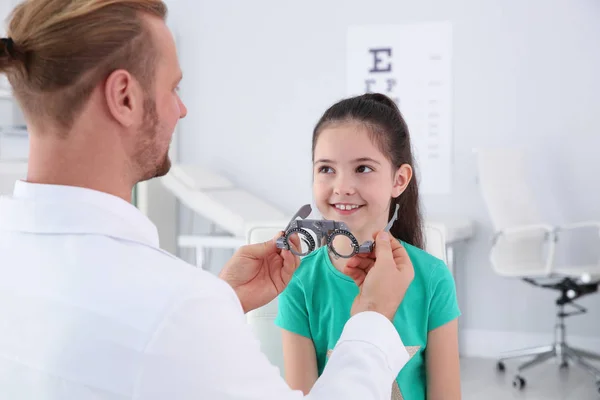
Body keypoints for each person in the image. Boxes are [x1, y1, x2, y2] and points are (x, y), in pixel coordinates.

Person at [0, 1, 417, 399]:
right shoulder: (177, 306)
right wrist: (374, 316)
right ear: (124, 96)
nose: (181, 110)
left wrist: (221, 304)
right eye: (173, 87)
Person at [274, 93, 462, 399]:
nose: (342, 187)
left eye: (362, 168)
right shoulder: (299, 283)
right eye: (326, 169)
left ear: (399, 180)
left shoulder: (433, 278)